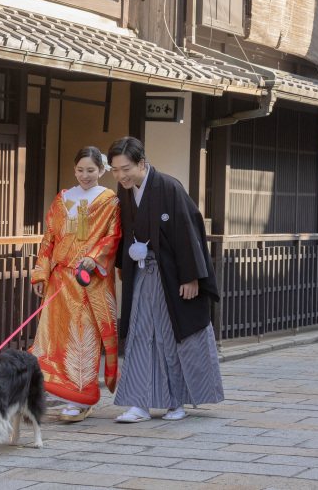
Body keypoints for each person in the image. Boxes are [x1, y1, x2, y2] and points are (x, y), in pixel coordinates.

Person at [108, 137, 224, 423]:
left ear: (142, 163)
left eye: (126, 169)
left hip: (171, 277)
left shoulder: (169, 187)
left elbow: (189, 231)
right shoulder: (125, 192)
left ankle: (176, 402)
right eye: (115, 170)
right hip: (143, 275)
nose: (121, 176)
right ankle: (138, 403)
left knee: (170, 337)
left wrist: (191, 276)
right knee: (138, 335)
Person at [30, 146, 122, 422]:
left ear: (101, 170)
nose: (85, 175)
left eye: (91, 170)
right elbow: (49, 238)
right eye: (80, 170)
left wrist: (94, 258)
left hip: (87, 280)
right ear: (74, 170)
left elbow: (112, 236)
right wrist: (40, 273)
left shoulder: (110, 200)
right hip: (60, 278)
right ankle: (61, 392)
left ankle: (80, 396)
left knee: (83, 336)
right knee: (54, 336)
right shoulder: (62, 199)